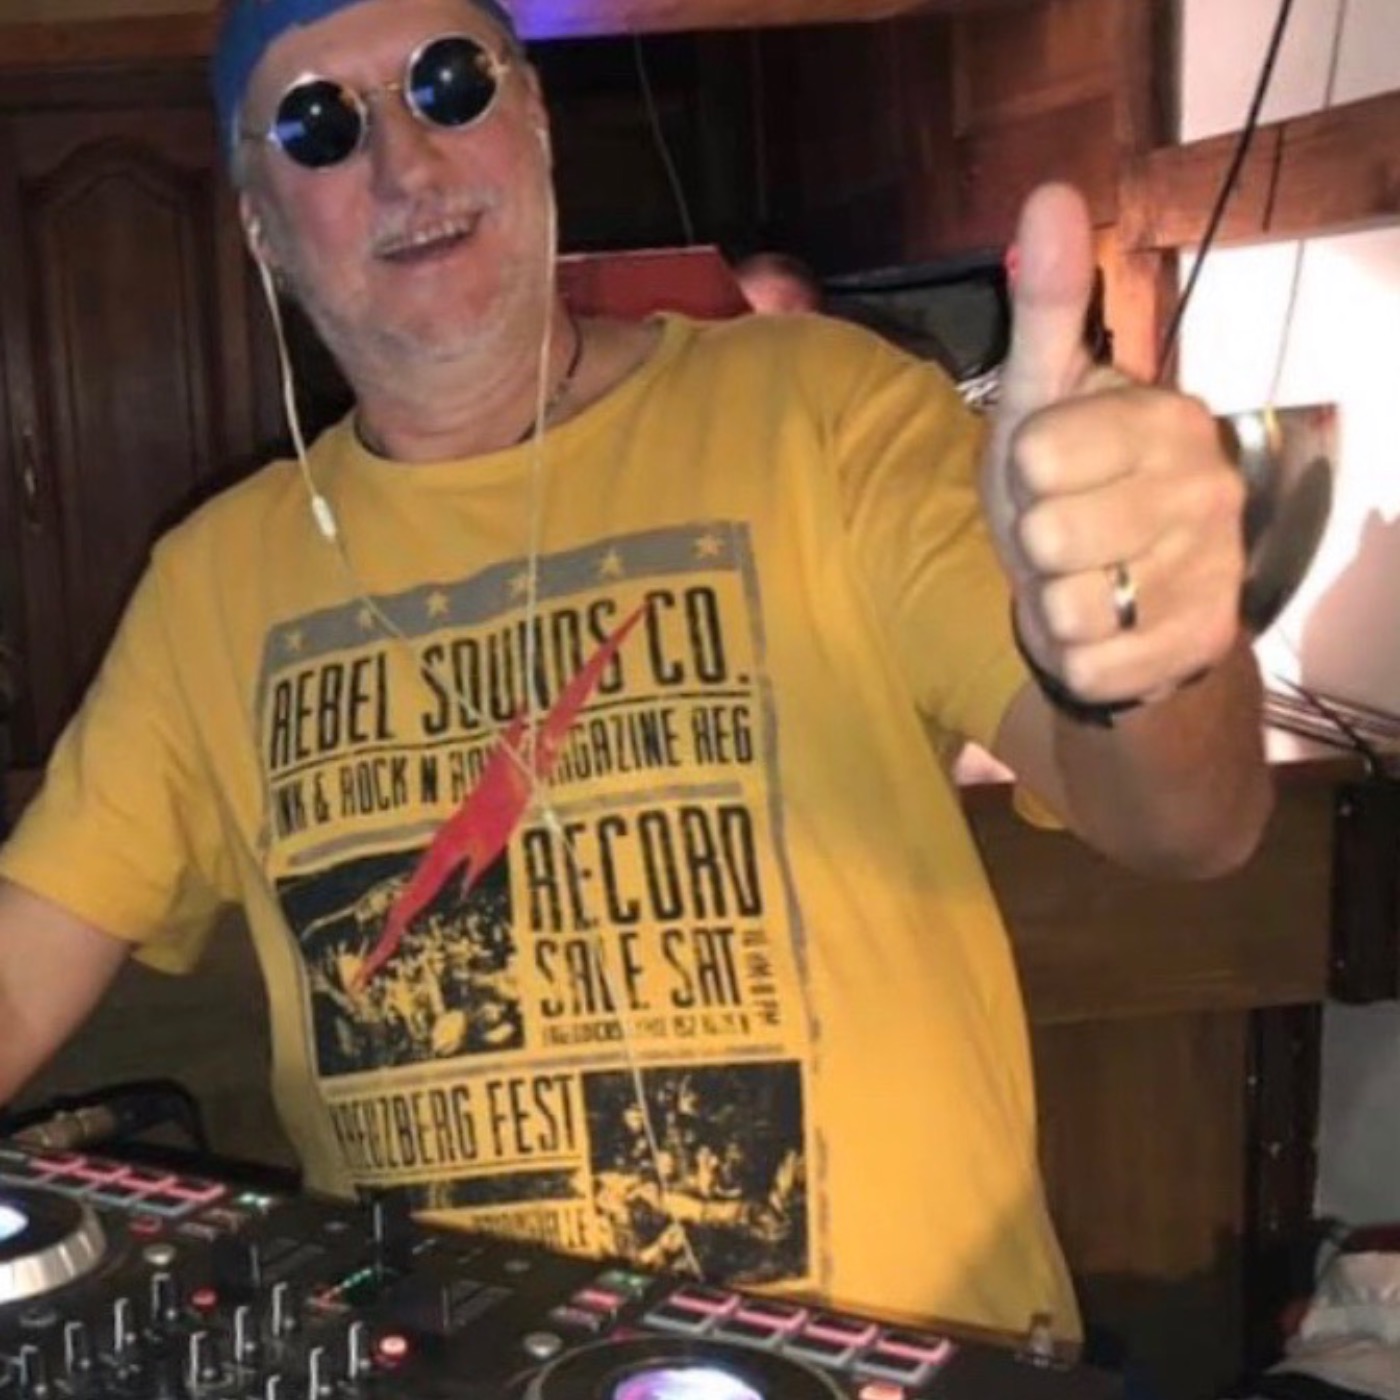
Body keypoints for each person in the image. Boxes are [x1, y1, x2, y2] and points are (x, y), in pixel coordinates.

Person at [0, 0, 1271, 1348]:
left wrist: (1153, 645)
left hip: (900, 1363)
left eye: (448, 83)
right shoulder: (211, 584)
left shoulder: (823, 413)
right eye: (321, 124)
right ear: (260, 223)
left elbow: (1189, 825)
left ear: (537, 120)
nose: (407, 164)